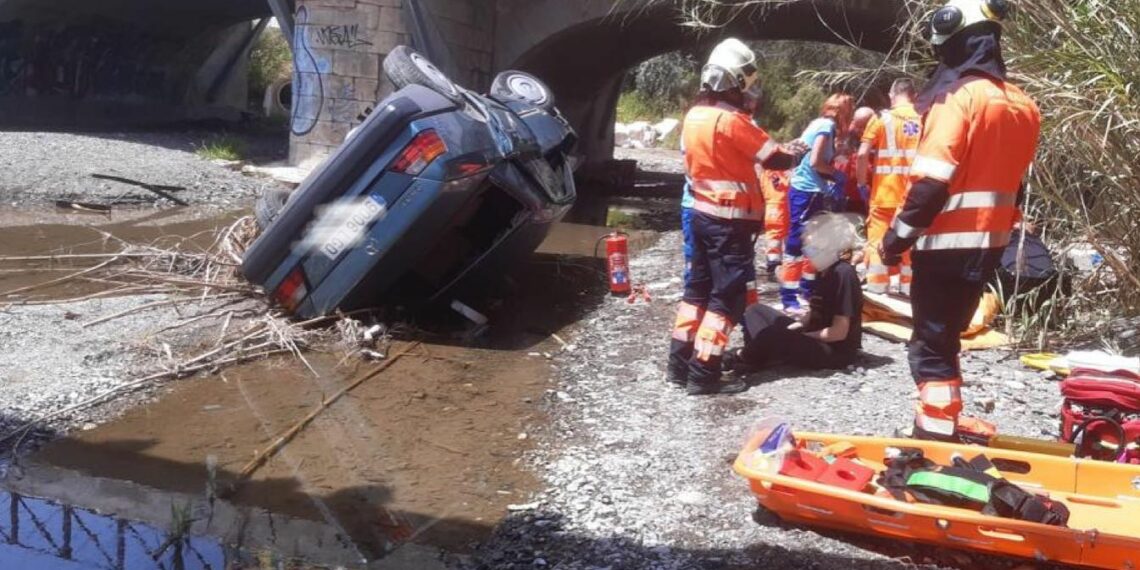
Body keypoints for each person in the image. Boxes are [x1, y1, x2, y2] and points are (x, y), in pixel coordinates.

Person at [880, 0, 1041, 443]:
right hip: (989, 246)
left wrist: (896, 239)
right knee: (948, 335)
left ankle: (932, 439)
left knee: (930, 345)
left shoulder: (958, 99)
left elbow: (932, 185)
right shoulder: (1022, 105)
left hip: (945, 246)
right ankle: (945, 421)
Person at [668, 38, 807, 396]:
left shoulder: (694, 116)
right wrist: (794, 153)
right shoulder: (732, 121)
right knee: (726, 298)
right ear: (734, 82)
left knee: (696, 291)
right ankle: (704, 371)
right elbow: (773, 158)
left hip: (701, 214)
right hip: (728, 222)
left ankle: (679, 364)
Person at [725, 213, 864, 372]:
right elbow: (816, 311)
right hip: (813, 335)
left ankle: (741, 356)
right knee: (754, 311)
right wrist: (796, 327)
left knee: (773, 334)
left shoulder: (843, 274)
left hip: (832, 351)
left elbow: (839, 332)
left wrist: (799, 337)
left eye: (810, 232)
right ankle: (764, 352)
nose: (804, 236)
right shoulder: (823, 268)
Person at [779, 93, 855, 311]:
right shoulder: (825, 127)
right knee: (797, 241)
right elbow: (815, 162)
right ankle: (790, 296)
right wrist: (834, 174)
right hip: (807, 190)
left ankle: (806, 289)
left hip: (810, 189)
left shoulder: (818, 124)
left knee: (812, 240)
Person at [858, 78, 922, 296]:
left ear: (892, 95)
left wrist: (861, 183)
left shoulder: (881, 118)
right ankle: (908, 291)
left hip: (884, 194)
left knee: (877, 242)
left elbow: (861, 153)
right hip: (913, 196)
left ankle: (877, 289)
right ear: (914, 96)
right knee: (910, 244)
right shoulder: (924, 119)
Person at [760, 168, 791, 281]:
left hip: (772, 207)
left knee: (774, 237)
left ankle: (774, 265)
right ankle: (776, 266)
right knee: (780, 237)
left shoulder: (766, 172)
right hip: (780, 206)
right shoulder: (779, 173)